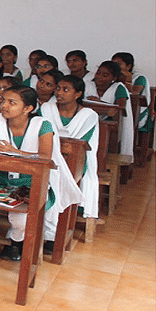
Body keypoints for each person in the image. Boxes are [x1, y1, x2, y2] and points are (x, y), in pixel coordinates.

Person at [0, 86, 81, 259]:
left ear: (28, 108)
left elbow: (45, 157)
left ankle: (16, 241)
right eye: (3, 101)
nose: (4, 106)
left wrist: (15, 152)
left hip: (30, 181)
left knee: (21, 219)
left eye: (12, 102)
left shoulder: (42, 125)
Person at [40, 75, 100, 234]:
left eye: (66, 90)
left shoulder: (89, 115)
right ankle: (47, 230)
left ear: (78, 94)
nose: (59, 92)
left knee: (54, 178)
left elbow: (80, 144)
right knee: (48, 176)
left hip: (76, 161)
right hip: (49, 157)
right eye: (58, 88)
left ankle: (53, 233)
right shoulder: (47, 108)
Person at [87, 60, 133, 157]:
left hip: (112, 123)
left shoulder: (119, 87)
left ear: (114, 78)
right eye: (98, 73)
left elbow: (120, 107)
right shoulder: (88, 85)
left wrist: (99, 103)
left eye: (105, 75)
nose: (99, 77)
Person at [112, 52, 151, 131]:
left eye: (118, 64)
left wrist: (128, 80)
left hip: (136, 112)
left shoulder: (139, 78)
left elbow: (134, 94)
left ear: (129, 66)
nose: (114, 66)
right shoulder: (112, 75)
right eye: (113, 64)